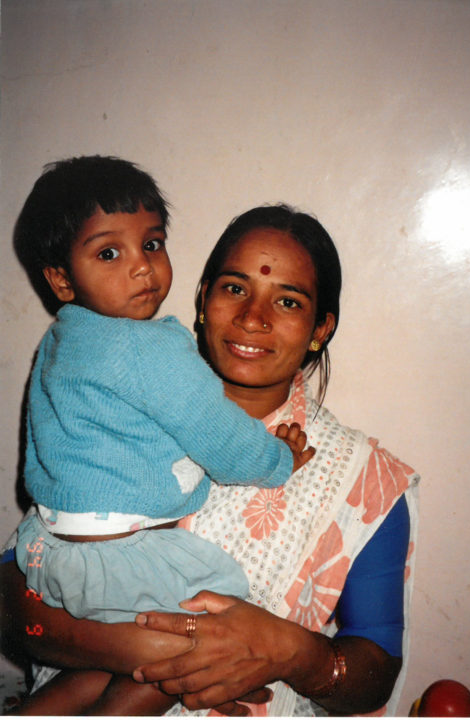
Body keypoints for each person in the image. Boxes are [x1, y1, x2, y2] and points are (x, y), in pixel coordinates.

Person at [0, 203, 419, 717]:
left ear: (320, 327)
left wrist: (284, 650)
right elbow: (15, 598)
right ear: (203, 299)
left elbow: (374, 672)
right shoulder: (113, 398)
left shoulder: (363, 478)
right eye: (235, 289)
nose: (252, 318)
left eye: (287, 302)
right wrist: (147, 649)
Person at [8, 159, 315, 716]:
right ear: (60, 278)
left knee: (103, 661)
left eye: (151, 245)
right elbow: (222, 441)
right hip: (118, 557)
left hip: (49, 550)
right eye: (109, 253)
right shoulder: (148, 349)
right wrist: (279, 459)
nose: (142, 269)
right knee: (190, 649)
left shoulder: (62, 340)